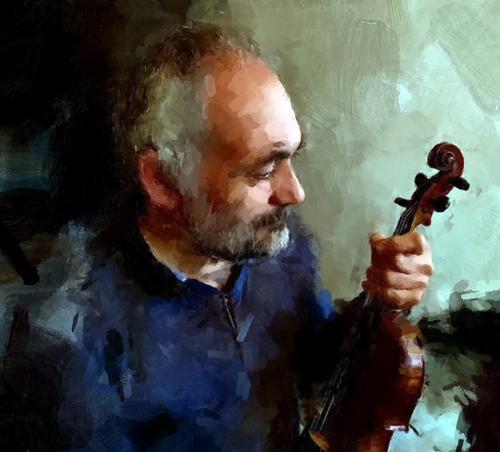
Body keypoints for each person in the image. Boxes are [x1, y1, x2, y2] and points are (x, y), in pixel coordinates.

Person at [0, 24, 433, 451]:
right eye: (264, 170)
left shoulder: (279, 248)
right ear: (162, 179)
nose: (295, 193)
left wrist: (382, 302)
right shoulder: (68, 333)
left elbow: (318, 361)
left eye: (291, 158)